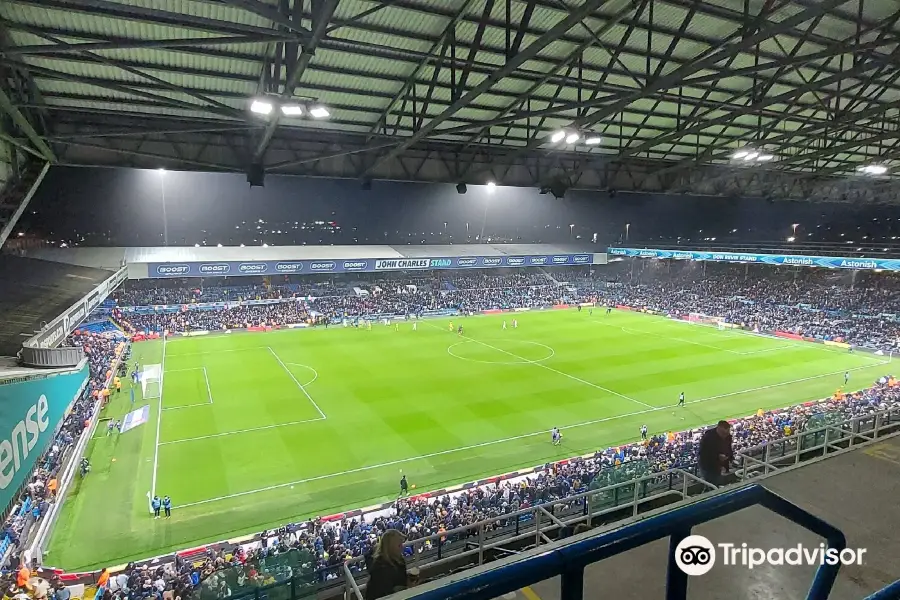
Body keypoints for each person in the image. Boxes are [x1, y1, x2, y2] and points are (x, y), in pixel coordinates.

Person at [365, 529, 409, 600]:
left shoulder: (399, 560)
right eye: (399, 545)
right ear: (390, 547)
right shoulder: (381, 568)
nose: (402, 547)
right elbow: (386, 594)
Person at [698, 420, 733, 487]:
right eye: (723, 433)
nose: (725, 436)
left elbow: (729, 448)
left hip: (719, 464)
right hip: (708, 465)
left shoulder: (728, 436)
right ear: (718, 429)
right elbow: (703, 454)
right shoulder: (708, 437)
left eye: (727, 433)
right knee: (712, 481)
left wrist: (729, 458)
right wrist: (717, 456)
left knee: (716, 480)